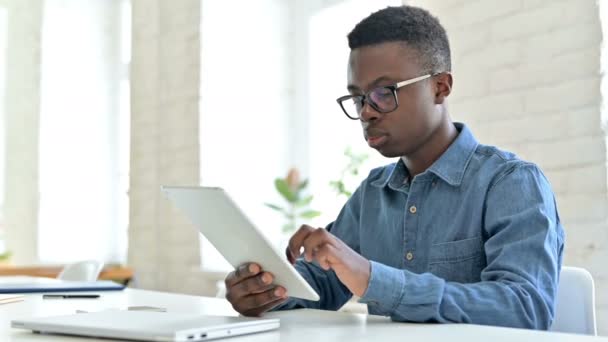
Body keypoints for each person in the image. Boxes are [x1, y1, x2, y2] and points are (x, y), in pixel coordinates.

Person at [224, 5, 564, 329]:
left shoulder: (509, 182)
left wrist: (372, 278)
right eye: (358, 97)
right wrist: (267, 292)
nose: (366, 112)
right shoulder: (373, 193)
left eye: (384, 92)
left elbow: (526, 308)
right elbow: (321, 288)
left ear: (440, 86)